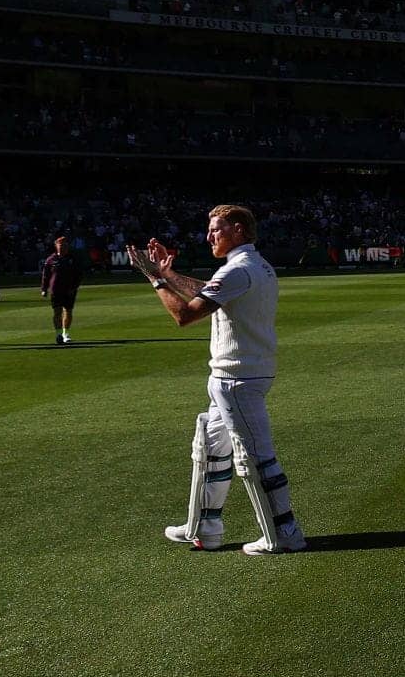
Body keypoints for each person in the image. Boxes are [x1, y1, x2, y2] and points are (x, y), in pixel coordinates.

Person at [130, 204, 308, 555]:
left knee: (255, 457)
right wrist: (170, 274)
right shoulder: (252, 267)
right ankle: (204, 528)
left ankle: (285, 534)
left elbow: (184, 315)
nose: (209, 235)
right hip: (237, 374)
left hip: (237, 379)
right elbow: (211, 292)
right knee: (209, 448)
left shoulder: (238, 270)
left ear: (239, 230)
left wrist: (155, 279)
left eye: (217, 229)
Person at [39, 235, 84, 345]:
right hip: (56, 290)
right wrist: (44, 289)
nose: (62, 247)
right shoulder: (51, 259)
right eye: (60, 245)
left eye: (64, 245)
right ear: (56, 246)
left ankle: (65, 333)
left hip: (69, 290)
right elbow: (45, 276)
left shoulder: (73, 259)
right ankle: (58, 334)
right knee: (57, 312)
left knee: (68, 311)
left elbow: (79, 275)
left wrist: (74, 287)